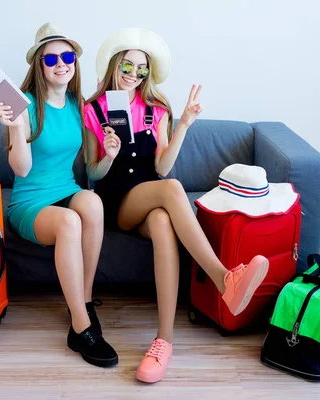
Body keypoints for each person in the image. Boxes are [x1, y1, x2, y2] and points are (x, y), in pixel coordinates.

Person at [83, 27, 269, 383]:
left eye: (141, 69)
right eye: (127, 65)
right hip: (116, 201)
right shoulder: (93, 109)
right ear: (113, 65)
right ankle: (224, 278)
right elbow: (93, 171)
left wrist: (183, 123)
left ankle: (163, 340)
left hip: (150, 196)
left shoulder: (157, 108)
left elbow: (162, 167)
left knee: (163, 222)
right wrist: (108, 156)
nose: (133, 75)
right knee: (170, 190)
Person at [0, 23, 118, 368]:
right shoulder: (23, 104)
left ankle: (85, 301)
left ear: (75, 62)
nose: (61, 63)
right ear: (39, 65)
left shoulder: (80, 106)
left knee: (92, 202)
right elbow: (20, 170)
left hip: (66, 189)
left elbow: (91, 176)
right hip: (30, 201)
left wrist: (107, 155)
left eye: (67, 56)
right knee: (68, 221)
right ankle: (81, 327)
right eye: (52, 58)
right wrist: (17, 128)